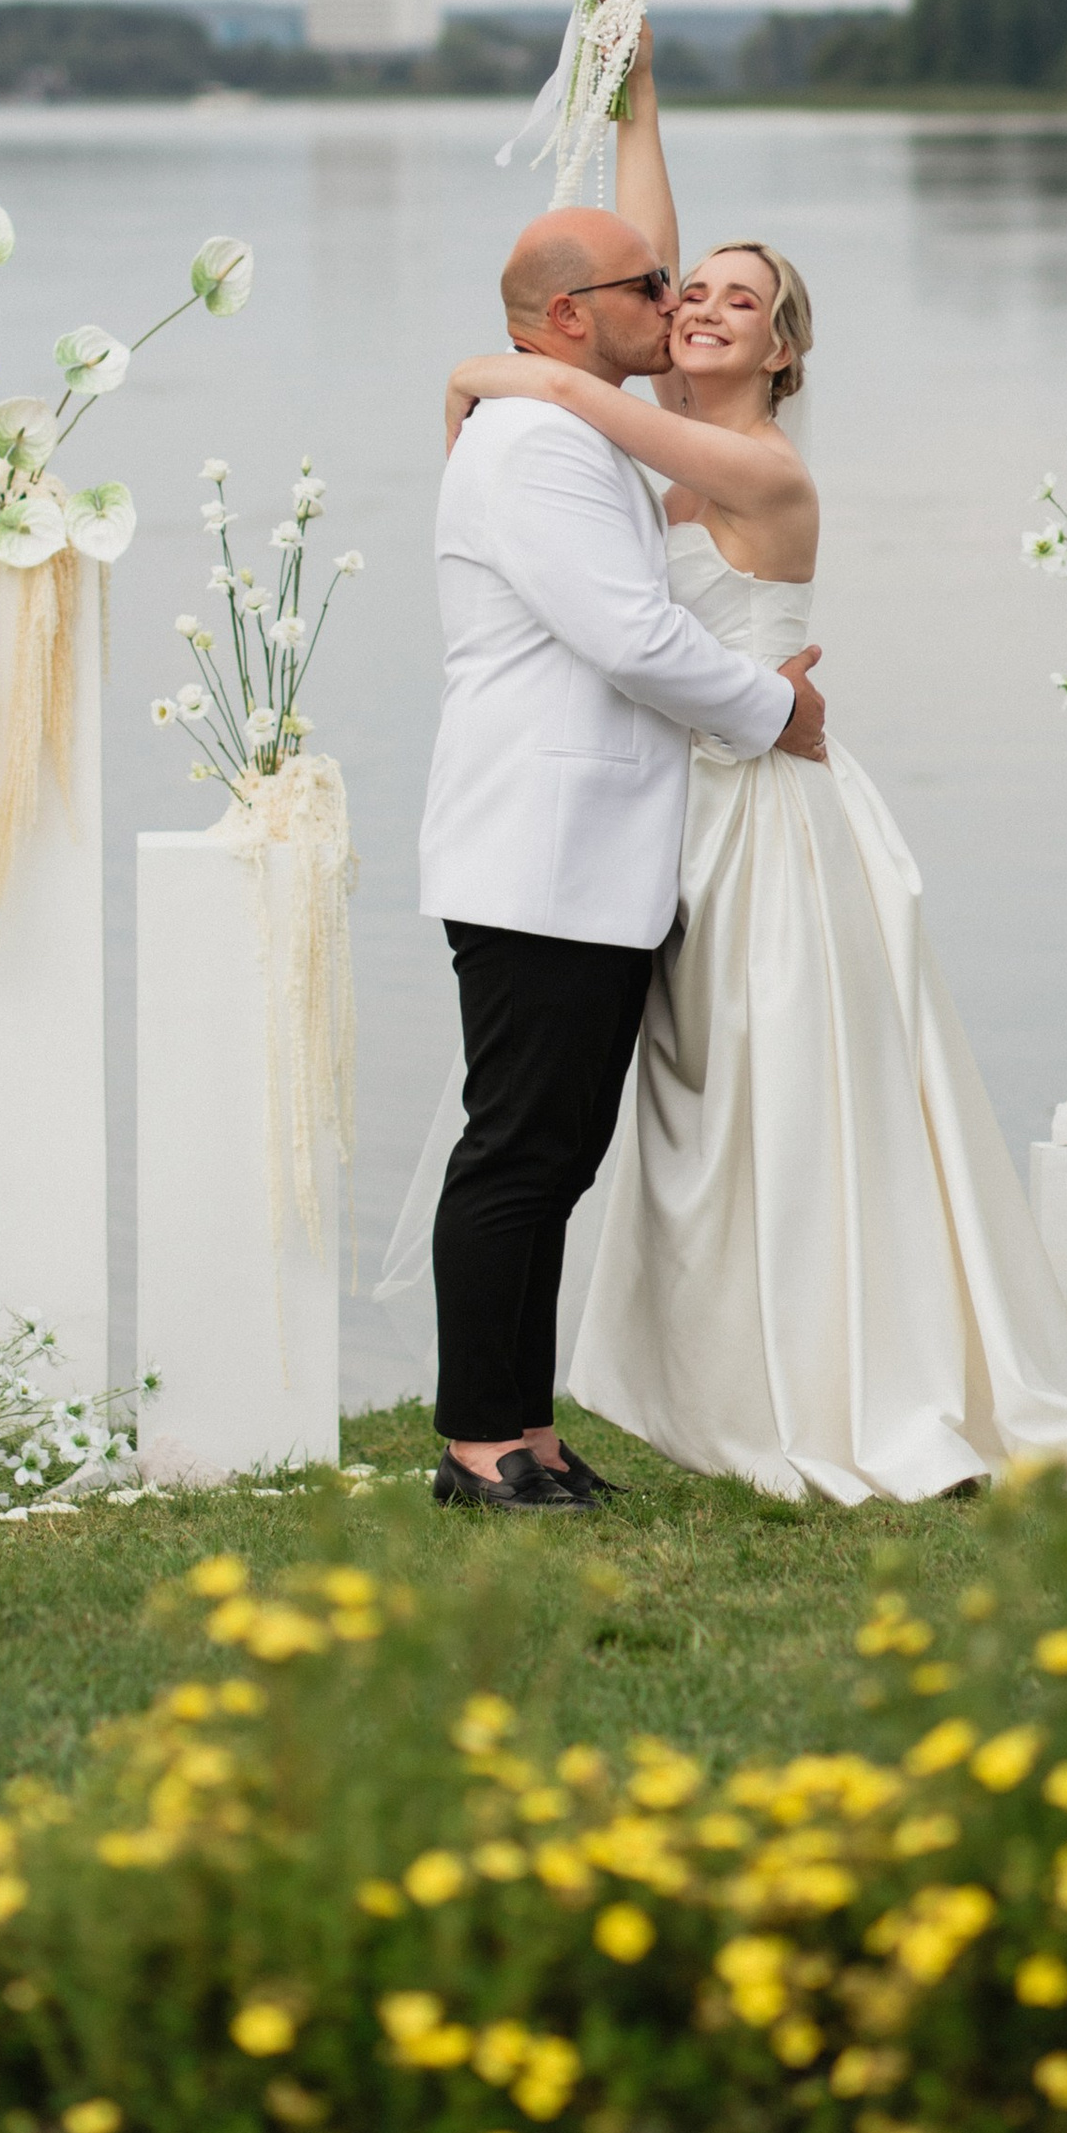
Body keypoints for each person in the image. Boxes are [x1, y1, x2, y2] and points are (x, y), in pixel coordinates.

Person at [436, 29, 1067, 1504]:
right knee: (686, 1136)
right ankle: (680, 1393)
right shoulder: (643, 437)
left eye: (741, 304)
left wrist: (494, 365)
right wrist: (638, 99)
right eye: (686, 294)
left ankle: (845, 1384)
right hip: (660, 824)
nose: (697, 307)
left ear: (784, 350)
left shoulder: (749, 468)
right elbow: (622, 309)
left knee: (800, 1115)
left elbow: (583, 376)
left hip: (768, 820)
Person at [414, 186, 831, 1509]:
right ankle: (484, 1446)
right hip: (541, 852)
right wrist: (784, 714)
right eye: (652, 286)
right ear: (568, 318)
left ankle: (524, 1428)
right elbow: (631, 640)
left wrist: (636, 90)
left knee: (554, 1157)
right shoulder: (538, 449)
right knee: (517, 1154)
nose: (673, 302)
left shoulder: (572, 430)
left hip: (587, 855)